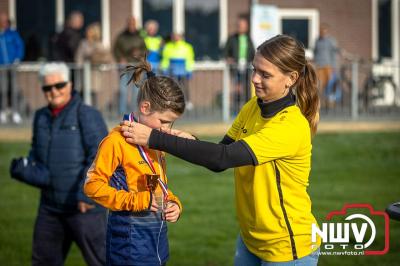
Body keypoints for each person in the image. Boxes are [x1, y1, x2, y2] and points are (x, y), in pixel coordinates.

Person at [120, 34, 321, 265]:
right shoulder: (252, 107)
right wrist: (190, 140)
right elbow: (223, 150)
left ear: (291, 78)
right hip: (251, 239)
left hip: (288, 245)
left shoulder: (291, 126)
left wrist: (154, 138)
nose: (255, 79)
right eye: (254, 69)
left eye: (265, 74)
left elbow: (221, 159)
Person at [84, 58, 183, 266]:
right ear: (145, 107)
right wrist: (136, 201)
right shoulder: (116, 141)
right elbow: (92, 186)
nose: (166, 128)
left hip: (157, 249)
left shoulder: (155, 142)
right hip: (128, 251)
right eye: (163, 121)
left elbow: (157, 188)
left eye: (171, 123)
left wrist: (173, 203)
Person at [9, 62, 108, 266]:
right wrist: (26, 169)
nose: (54, 92)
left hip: (84, 209)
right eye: (47, 87)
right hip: (50, 209)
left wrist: (85, 193)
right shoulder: (40, 117)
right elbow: (37, 154)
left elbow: (101, 156)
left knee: (103, 262)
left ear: (70, 85)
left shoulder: (87, 114)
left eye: (59, 85)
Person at [113, 16, 147, 115]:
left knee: (136, 90)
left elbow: (145, 50)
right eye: (130, 23)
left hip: (137, 66)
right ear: (127, 24)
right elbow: (116, 50)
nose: (132, 25)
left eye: (133, 23)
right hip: (125, 66)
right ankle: (122, 111)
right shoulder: (121, 36)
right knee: (123, 89)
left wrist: (139, 53)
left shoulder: (140, 36)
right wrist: (120, 59)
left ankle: (134, 111)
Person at [224, 15, 255, 114]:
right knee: (237, 89)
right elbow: (225, 52)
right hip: (235, 68)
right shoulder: (232, 38)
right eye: (239, 25)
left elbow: (253, 52)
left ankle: (247, 110)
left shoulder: (248, 39)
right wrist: (229, 59)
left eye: (243, 25)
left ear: (246, 27)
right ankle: (236, 110)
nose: (240, 27)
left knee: (247, 89)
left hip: (247, 68)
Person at [0, 12, 24, 124]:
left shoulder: (12, 34)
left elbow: (19, 45)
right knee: (2, 89)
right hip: (1, 66)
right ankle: (3, 111)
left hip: (12, 65)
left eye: (4, 20)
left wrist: (17, 58)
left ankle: (15, 112)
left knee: (14, 89)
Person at [160, 32, 195, 109]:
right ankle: (173, 102)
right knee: (172, 87)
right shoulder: (168, 47)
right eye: (174, 36)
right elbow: (165, 59)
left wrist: (189, 70)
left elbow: (190, 59)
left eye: (177, 36)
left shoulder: (187, 47)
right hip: (172, 70)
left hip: (183, 70)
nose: (175, 38)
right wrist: (164, 68)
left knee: (185, 86)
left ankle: (188, 102)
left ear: (181, 37)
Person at [313, 23, 340, 108]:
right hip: (319, 66)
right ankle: (321, 103)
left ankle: (330, 103)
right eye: (321, 31)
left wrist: (334, 67)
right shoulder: (317, 41)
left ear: (327, 31)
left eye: (324, 30)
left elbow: (334, 54)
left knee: (329, 85)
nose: (322, 32)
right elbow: (315, 52)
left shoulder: (331, 41)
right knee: (319, 85)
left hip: (328, 66)